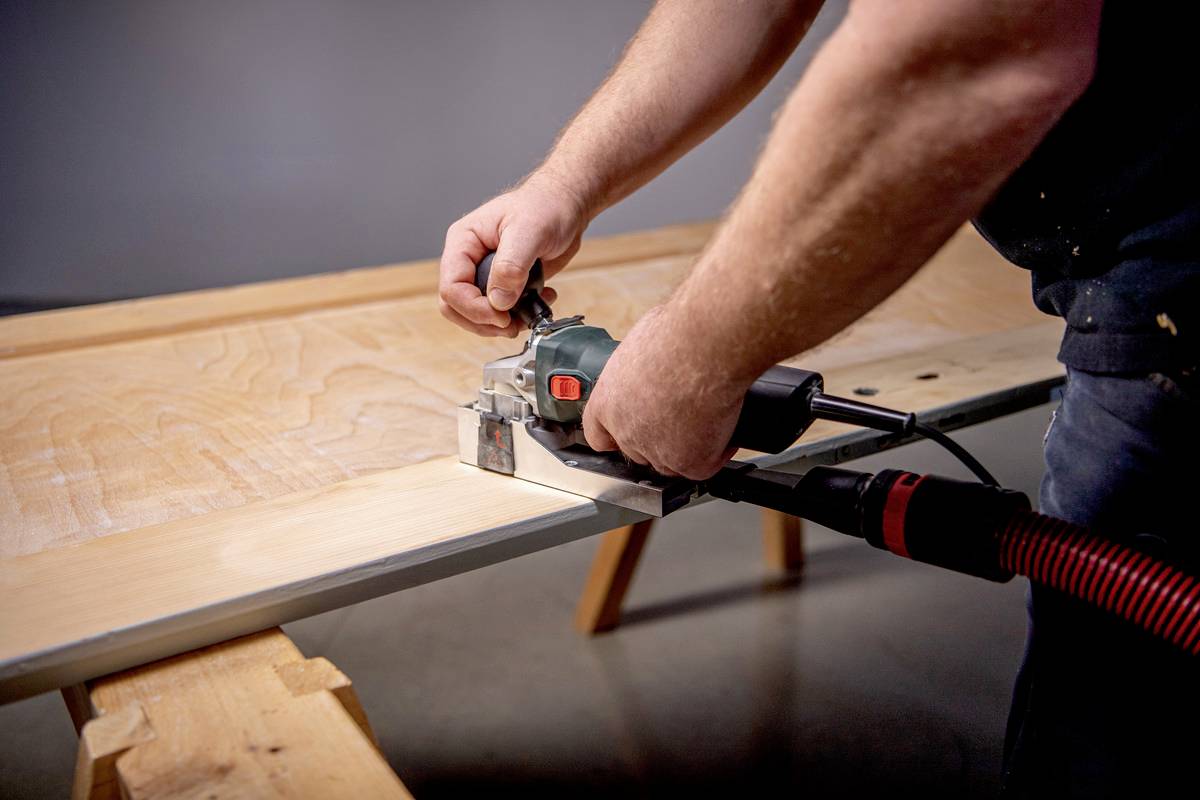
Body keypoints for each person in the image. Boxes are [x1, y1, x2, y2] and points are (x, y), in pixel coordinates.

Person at [438, 1, 1198, 795]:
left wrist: (695, 360)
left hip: (1177, 297)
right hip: (1135, 272)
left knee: (1119, 731)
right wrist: (565, 182)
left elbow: (973, 51)